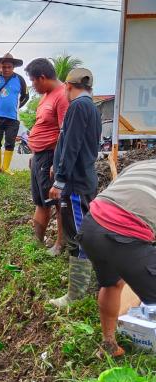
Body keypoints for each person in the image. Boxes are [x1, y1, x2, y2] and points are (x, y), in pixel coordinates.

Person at [78, 160, 156, 358]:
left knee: (111, 284)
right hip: (124, 235)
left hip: (92, 225)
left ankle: (109, 344)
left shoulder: (142, 165)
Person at [48, 68, 101, 307]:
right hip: (81, 178)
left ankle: (77, 294)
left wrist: (60, 180)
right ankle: (81, 285)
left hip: (76, 183)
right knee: (80, 232)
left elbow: (72, 145)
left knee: (79, 236)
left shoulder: (78, 107)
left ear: (68, 86)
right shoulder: (92, 107)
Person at [25, 58, 69, 256]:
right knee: (41, 201)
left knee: (56, 202)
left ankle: (60, 244)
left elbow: (65, 133)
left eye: (33, 81)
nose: (33, 86)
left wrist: (58, 163)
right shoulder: (46, 96)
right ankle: (37, 243)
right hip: (39, 157)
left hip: (51, 156)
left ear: (42, 78)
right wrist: (35, 155)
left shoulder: (62, 96)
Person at [0, 53, 29, 174]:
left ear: (13, 67)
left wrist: (17, 106)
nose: (6, 69)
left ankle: (6, 167)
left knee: (10, 143)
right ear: (0, 67)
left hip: (13, 118)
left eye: (9, 67)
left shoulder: (19, 79)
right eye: (4, 67)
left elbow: (26, 96)